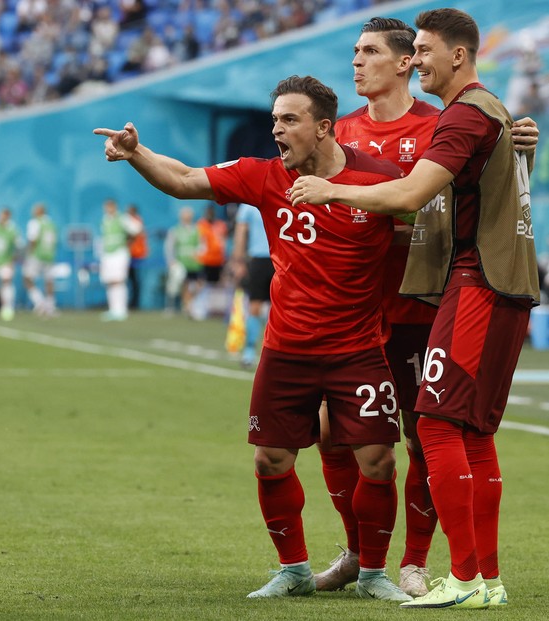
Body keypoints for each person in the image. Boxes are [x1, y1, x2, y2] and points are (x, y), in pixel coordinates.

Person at [95, 75, 413, 602]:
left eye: (289, 120)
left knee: (378, 460)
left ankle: (374, 574)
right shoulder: (261, 176)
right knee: (270, 460)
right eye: (274, 121)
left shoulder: (378, 178)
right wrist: (137, 153)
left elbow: (425, 219)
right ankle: (293, 570)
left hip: (358, 349)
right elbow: (183, 179)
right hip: (286, 350)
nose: (277, 131)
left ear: (324, 127)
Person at [290, 8, 540, 609]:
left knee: (434, 430)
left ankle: (425, 565)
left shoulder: (451, 120)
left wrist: (333, 190)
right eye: (352, 52)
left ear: (411, 60)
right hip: (361, 305)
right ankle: (385, 557)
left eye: (370, 51)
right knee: (347, 430)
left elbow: (413, 193)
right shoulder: (340, 130)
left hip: (440, 294)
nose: (356, 61)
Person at [230, 203, 273, 368]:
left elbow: (240, 233)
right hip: (268, 258)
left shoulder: (249, 203)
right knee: (262, 306)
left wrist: (238, 261)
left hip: (271, 259)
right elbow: (241, 232)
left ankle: (254, 352)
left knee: (259, 306)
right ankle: (251, 351)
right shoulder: (249, 205)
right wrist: (239, 260)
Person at [98, 198, 142, 321]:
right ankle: (113, 309)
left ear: (115, 206)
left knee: (119, 280)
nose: (108, 209)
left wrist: (128, 242)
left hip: (119, 253)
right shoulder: (105, 220)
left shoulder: (122, 218)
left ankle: (121, 310)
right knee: (110, 281)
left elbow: (137, 229)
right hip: (108, 253)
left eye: (110, 206)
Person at [22, 202, 59, 317]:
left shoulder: (35, 223)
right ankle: (50, 305)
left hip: (37, 255)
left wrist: (28, 254)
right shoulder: (51, 224)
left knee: (27, 278)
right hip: (49, 255)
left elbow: (33, 239)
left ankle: (39, 302)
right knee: (49, 280)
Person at [163, 206, 201, 315]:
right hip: (180, 263)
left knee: (197, 285)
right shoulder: (175, 230)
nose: (187, 217)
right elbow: (169, 246)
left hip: (194, 263)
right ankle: (177, 306)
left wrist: (199, 254)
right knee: (179, 285)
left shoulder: (196, 230)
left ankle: (189, 304)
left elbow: (202, 245)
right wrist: (171, 260)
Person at [192, 204, 227, 320]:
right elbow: (198, 241)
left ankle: (212, 308)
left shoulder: (220, 225)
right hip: (204, 259)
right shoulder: (201, 225)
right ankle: (196, 308)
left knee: (216, 284)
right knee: (201, 283)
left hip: (218, 260)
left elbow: (223, 242)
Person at [126, 204, 147, 310]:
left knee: (134, 280)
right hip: (131, 254)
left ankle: (134, 303)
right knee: (130, 280)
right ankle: (131, 302)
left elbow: (134, 237)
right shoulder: (132, 221)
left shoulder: (135, 221)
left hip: (135, 254)